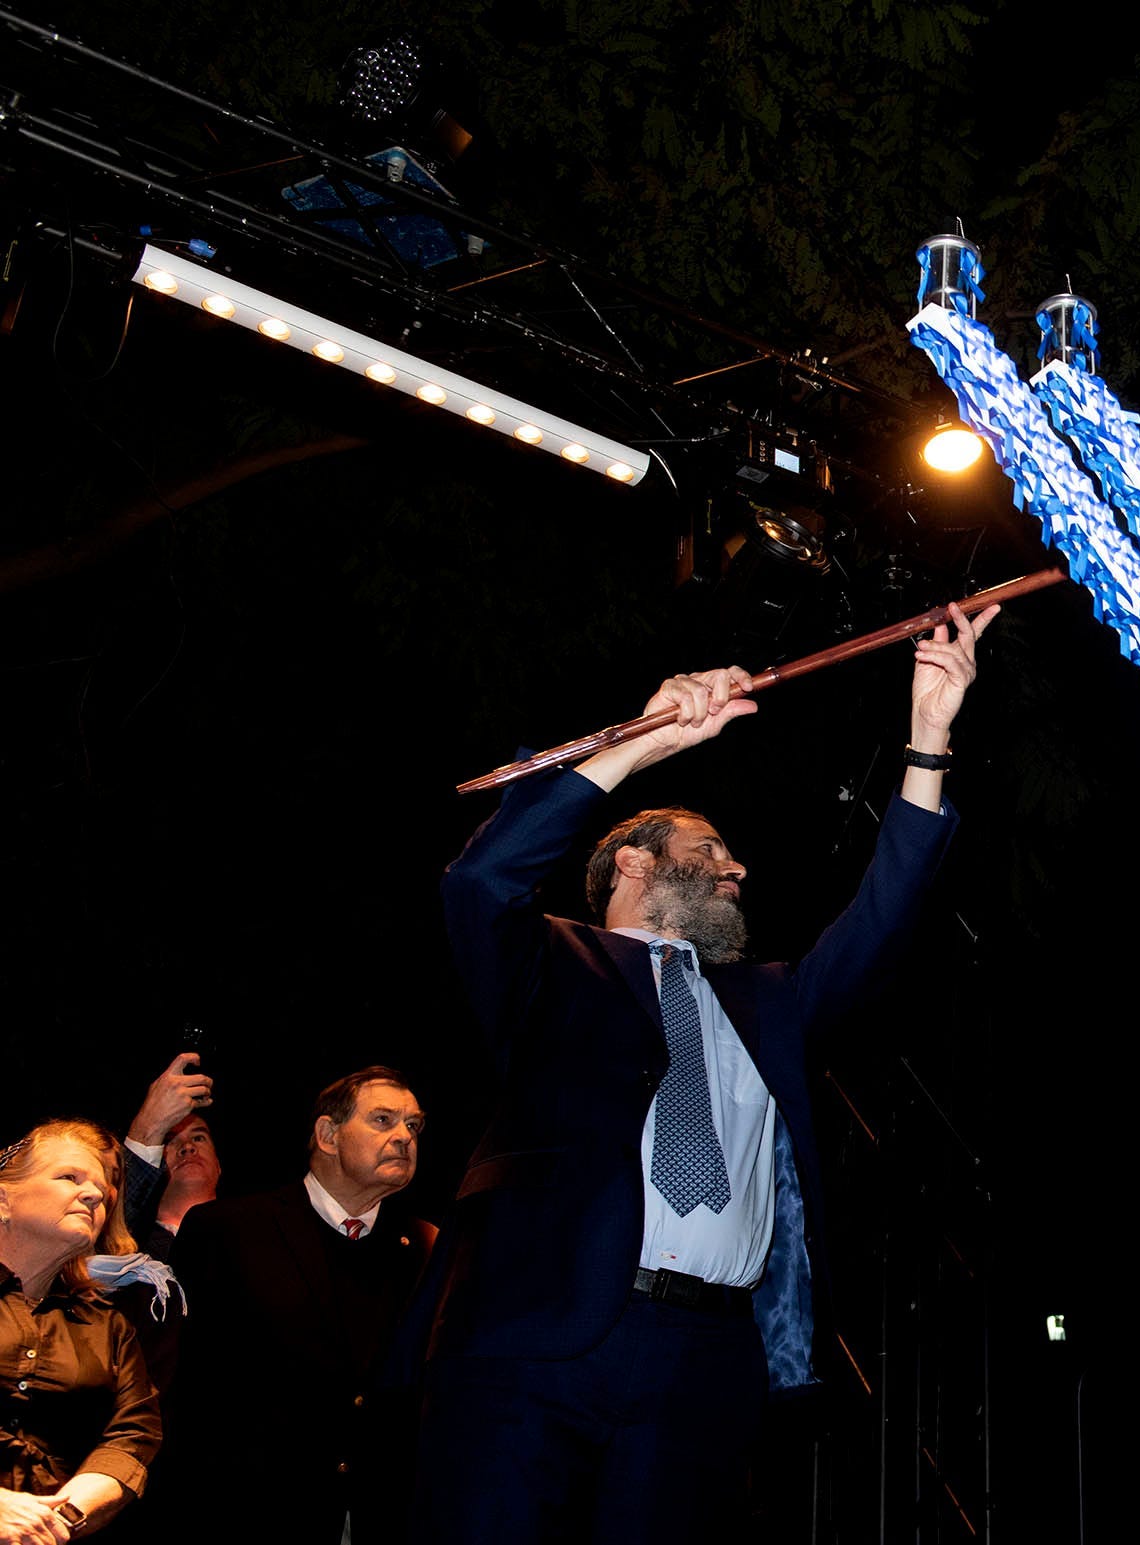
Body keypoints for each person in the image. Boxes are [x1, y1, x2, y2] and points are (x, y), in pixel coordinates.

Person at [419, 602, 995, 1542]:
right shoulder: (548, 964)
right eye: (708, 849)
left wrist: (928, 740)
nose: (736, 867)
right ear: (634, 865)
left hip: (706, 1357)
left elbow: (882, 921)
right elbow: (478, 881)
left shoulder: (765, 999)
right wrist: (641, 744)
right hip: (537, 1343)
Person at [166, 1068, 436, 1544]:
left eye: (413, 1126)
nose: (403, 1137)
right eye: (383, 1120)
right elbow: (184, 1388)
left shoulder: (429, 1246)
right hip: (251, 1516)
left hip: (389, 1517)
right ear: (328, 1135)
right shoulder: (228, 1230)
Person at [0, 1120, 162, 1543]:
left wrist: (62, 1517)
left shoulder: (107, 1324)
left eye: (102, 1189)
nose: (94, 1194)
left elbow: (133, 1435)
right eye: (68, 1177)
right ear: (2, 1199)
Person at [118, 1054, 220, 1263]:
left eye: (199, 1137)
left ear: (219, 1166)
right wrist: (148, 1126)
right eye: (171, 1141)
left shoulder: (255, 1234)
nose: (188, 1147)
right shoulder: (128, 1249)